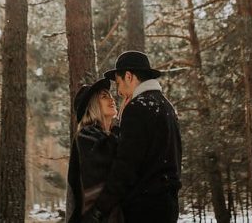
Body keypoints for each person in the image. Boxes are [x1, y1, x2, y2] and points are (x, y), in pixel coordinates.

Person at [82, 51, 182, 223]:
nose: (119, 91)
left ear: (129, 76)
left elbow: (126, 165)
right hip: (168, 205)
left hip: (144, 209)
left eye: (119, 83)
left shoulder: (137, 108)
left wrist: (100, 208)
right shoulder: (166, 106)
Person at [67, 78, 124, 223]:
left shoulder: (106, 135)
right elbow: (111, 163)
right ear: (92, 106)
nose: (112, 99)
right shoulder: (86, 135)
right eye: (104, 97)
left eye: (110, 96)